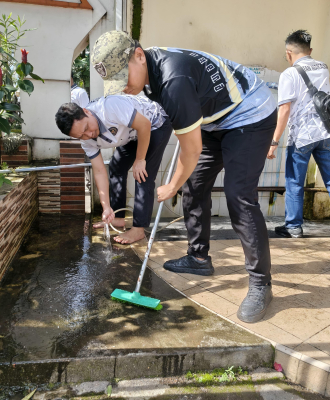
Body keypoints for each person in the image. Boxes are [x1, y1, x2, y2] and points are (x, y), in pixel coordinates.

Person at [91, 31, 277, 323]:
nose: (123, 87)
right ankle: (198, 257)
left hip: (250, 113)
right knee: (195, 185)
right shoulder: (150, 73)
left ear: (138, 55)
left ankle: (261, 283)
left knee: (238, 195)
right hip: (216, 120)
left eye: (123, 78)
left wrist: (171, 186)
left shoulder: (172, 79)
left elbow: (191, 150)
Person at [267, 30, 330, 242]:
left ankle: (294, 227)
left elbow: (284, 109)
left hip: (302, 137)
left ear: (288, 53)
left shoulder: (289, 74)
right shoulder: (322, 67)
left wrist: (274, 141)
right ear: (310, 50)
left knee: (294, 183)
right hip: (327, 134)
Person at [55, 95, 172, 244]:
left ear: (87, 111)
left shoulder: (109, 108)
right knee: (117, 167)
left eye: (86, 128)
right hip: (133, 133)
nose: (89, 135)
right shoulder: (86, 141)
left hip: (155, 122)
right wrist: (106, 207)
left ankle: (138, 229)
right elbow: (99, 171)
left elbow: (144, 125)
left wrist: (140, 159)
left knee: (142, 174)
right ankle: (117, 218)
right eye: (81, 135)